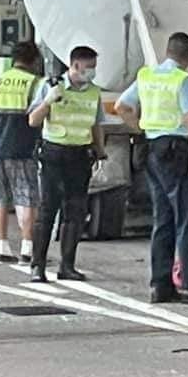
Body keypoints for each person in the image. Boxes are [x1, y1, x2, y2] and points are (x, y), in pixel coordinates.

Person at [115, 32, 188, 304]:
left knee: (163, 219)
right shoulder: (182, 80)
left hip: (152, 150)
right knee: (187, 218)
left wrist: (142, 127)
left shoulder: (147, 75)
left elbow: (121, 106)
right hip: (175, 152)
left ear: (168, 51)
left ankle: (160, 285)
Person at [27, 45, 107, 283]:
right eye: (89, 67)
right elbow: (33, 120)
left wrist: (101, 152)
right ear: (75, 66)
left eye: (94, 67)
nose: (92, 72)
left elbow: (96, 124)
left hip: (81, 156)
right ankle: (37, 266)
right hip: (54, 154)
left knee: (76, 213)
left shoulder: (94, 92)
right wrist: (48, 103)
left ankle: (67, 266)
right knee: (47, 211)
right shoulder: (51, 86)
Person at [0, 42, 43, 264]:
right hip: (25, 148)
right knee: (28, 199)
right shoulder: (36, 84)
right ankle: (27, 250)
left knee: (2, 200)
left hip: (0, 148)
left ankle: (3, 248)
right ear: (34, 60)